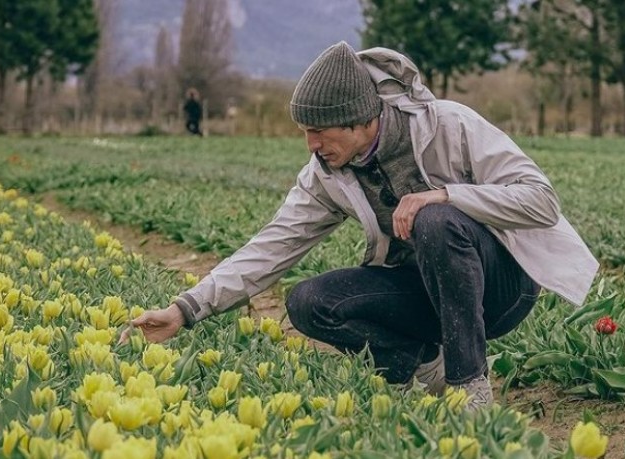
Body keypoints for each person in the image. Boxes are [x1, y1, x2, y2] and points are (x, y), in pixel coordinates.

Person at [121, 42, 599, 410]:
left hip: (500, 289)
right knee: (310, 303)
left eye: (319, 131)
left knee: (434, 219)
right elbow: (271, 245)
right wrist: (185, 310)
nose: (310, 144)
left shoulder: (450, 125)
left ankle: (471, 387)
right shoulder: (327, 175)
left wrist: (447, 194)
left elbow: (543, 201)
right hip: (425, 294)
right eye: (305, 132)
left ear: (360, 120)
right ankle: (426, 370)